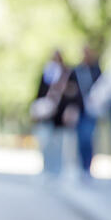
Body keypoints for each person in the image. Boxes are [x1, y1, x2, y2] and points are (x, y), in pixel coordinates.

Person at [62, 44, 102, 179]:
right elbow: (69, 90)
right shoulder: (76, 71)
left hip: (91, 110)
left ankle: (87, 167)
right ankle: (81, 167)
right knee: (79, 138)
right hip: (79, 110)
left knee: (87, 138)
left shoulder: (96, 70)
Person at [31, 49, 70, 178]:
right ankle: (47, 168)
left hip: (58, 116)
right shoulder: (47, 73)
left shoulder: (66, 74)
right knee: (45, 141)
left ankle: (57, 170)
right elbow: (39, 92)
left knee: (57, 143)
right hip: (45, 115)